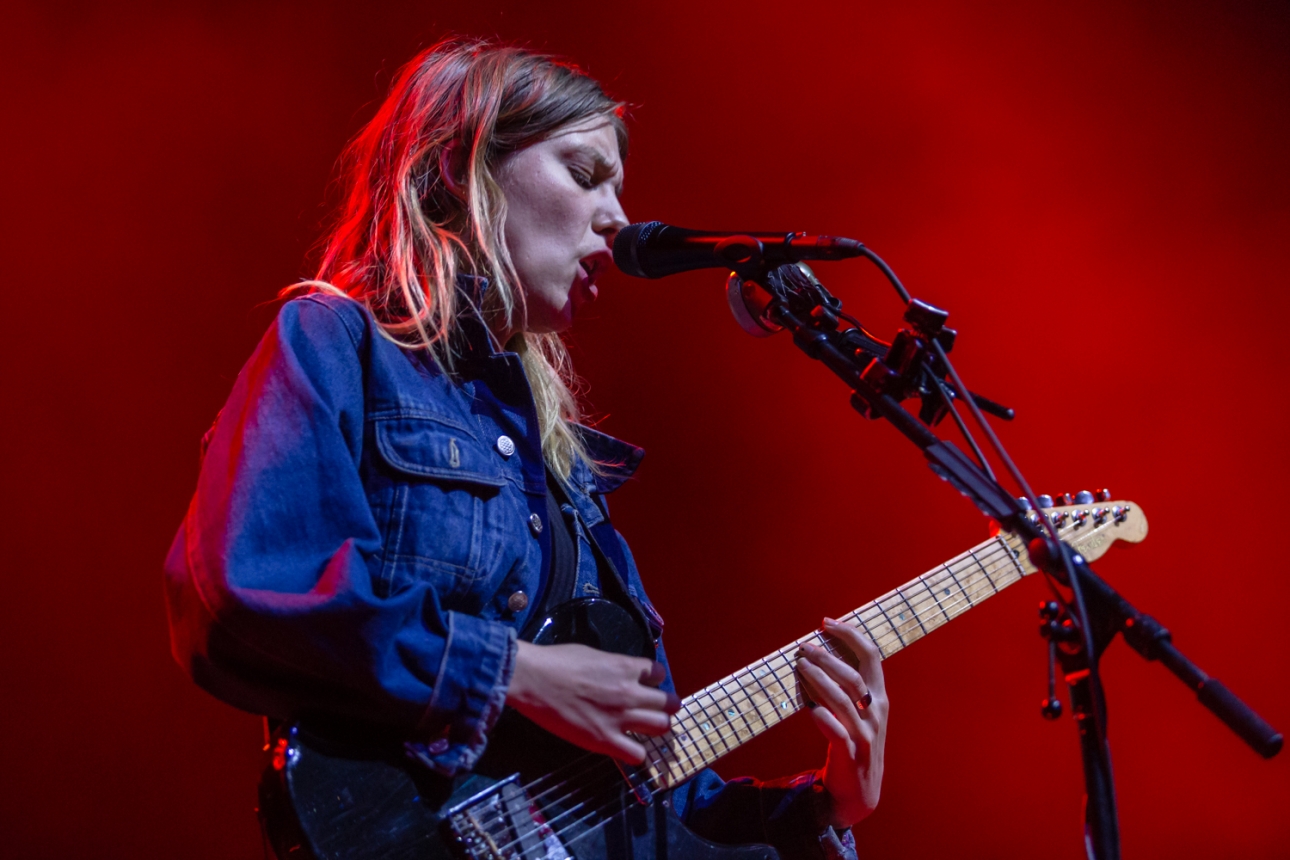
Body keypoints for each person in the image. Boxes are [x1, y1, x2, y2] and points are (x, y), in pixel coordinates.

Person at [164, 38, 887, 859]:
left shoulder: (566, 468)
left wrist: (827, 805)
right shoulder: (336, 341)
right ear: (458, 171)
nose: (618, 217)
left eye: (618, 185)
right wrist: (512, 672)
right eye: (584, 174)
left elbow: (643, 787)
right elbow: (241, 590)